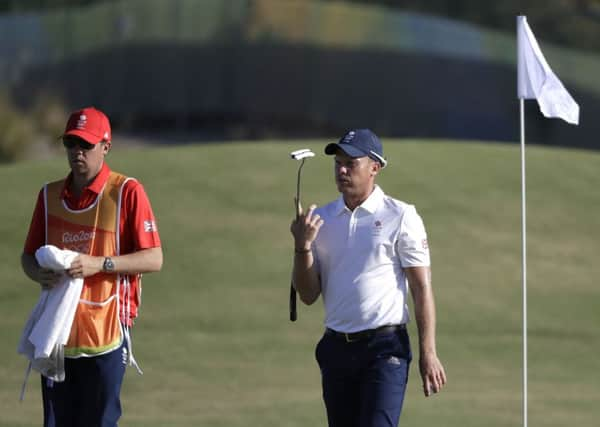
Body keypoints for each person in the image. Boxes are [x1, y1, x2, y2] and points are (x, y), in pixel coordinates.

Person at [290, 129, 446, 427]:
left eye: (351, 163)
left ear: (375, 167)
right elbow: (308, 295)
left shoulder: (401, 215)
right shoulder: (320, 220)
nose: (342, 170)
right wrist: (302, 246)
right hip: (336, 350)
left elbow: (421, 286)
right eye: (338, 163)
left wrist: (429, 352)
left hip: (385, 350)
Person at [21, 106, 163, 427]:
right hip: (56, 338)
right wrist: (37, 273)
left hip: (106, 339)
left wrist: (99, 263)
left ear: (105, 147)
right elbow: (28, 256)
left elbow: (153, 258)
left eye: (85, 145)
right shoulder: (49, 195)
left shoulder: (126, 192)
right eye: (71, 143)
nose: (77, 152)